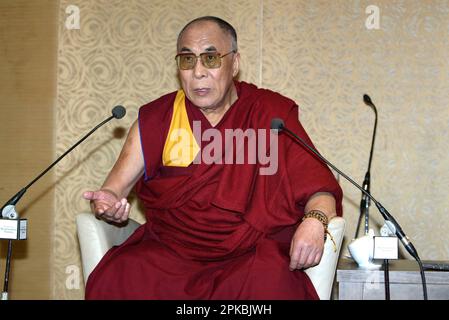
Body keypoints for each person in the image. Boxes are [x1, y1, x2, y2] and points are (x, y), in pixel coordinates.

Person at [82, 16, 343, 300]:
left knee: (271, 281)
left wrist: (315, 221)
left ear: (235, 63)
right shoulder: (158, 119)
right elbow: (111, 190)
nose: (198, 72)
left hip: (249, 255)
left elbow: (321, 192)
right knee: (123, 273)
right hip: (171, 255)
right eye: (187, 59)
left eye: (210, 58)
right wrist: (106, 204)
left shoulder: (269, 114)